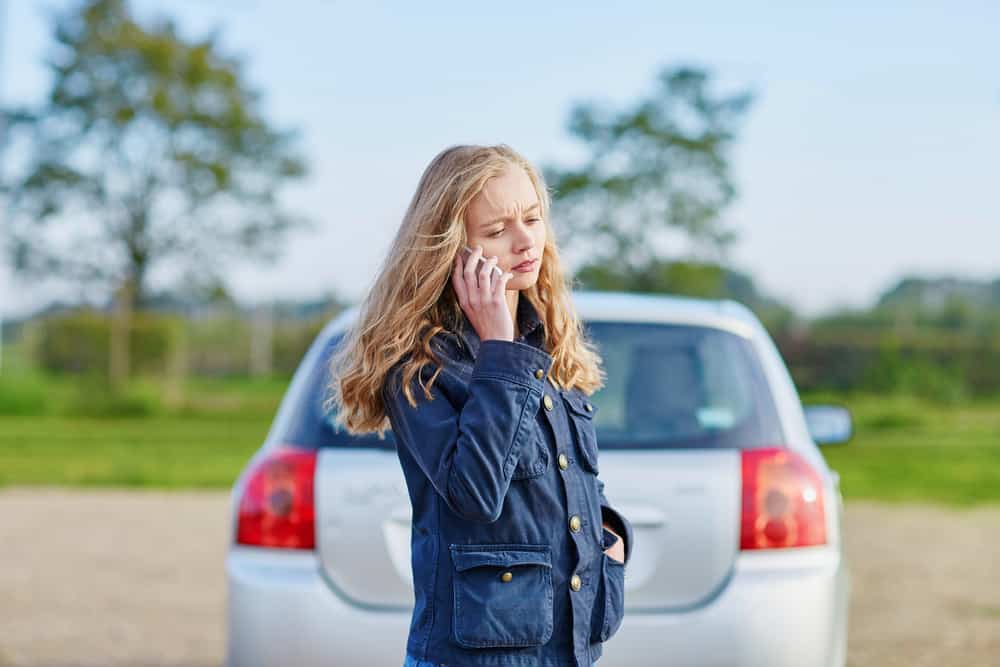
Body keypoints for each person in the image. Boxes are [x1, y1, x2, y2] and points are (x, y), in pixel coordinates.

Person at [330, 144, 633, 667]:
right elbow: (475, 497)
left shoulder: (548, 350)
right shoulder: (420, 370)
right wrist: (499, 349)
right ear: (450, 250)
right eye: (496, 231)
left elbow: (576, 483)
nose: (524, 241)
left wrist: (612, 538)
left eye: (533, 219)